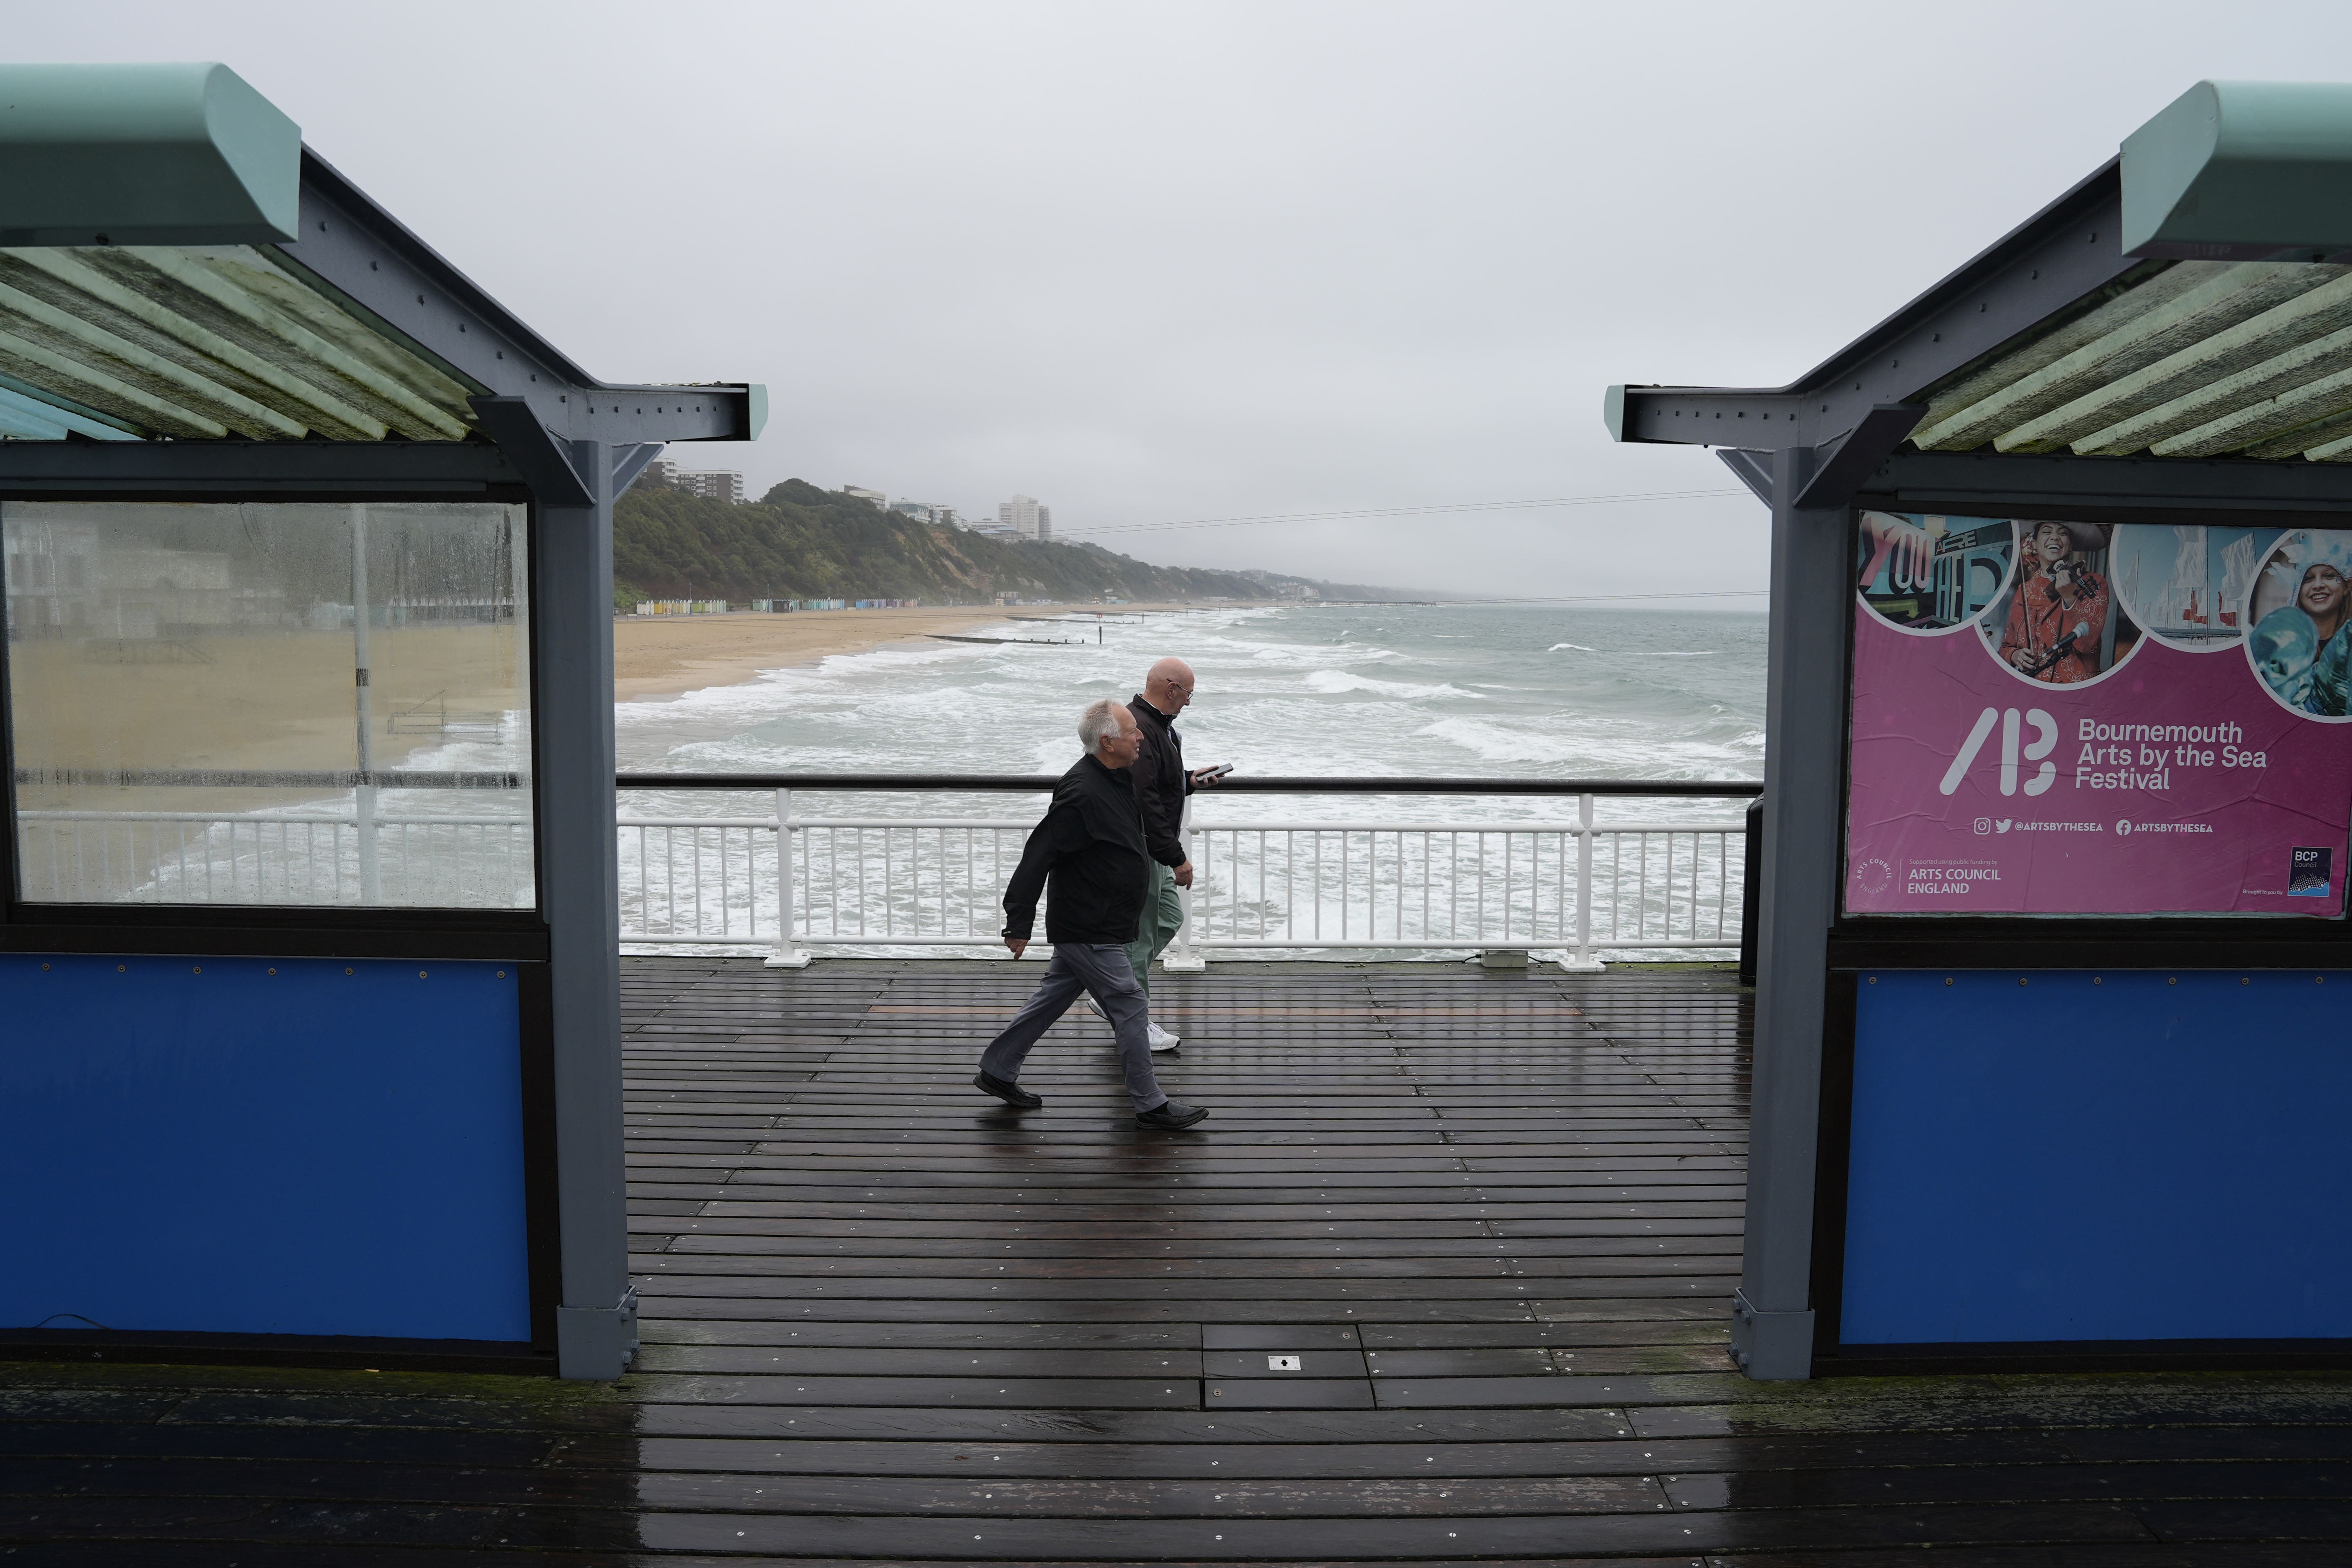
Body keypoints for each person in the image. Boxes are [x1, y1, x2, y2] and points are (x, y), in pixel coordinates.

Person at [972, 697, 1210, 1131]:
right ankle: (1150, 1103)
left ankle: (998, 1070)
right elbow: (1038, 854)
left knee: (1053, 997)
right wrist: (1018, 920)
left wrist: (1173, 856)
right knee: (1131, 1004)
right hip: (1089, 924)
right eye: (1131, 732)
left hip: (1105, 921)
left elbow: (1138, 833)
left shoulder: (1118, 778)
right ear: (1107, 741)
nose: (1140, 736)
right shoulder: (1081, 791)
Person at [1085, 657, 1224, 1050]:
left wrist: (1188, 782)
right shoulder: (1139, 728)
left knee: (1169, 917)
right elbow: (1144, 801)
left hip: (1150, 849)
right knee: (1143, 937)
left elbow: (1156, 784)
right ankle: (1134, 1019)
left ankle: (1113, 995)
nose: (1189, 703)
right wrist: (1177, 856)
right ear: (1171, 688)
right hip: (1139, 850)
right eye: (1188, 694)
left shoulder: (1156, 726)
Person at [1998, 520, 2110, 684]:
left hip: (2075, 692)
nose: (2055, 538)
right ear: (2035, 543)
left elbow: (2086, 644)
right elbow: (2006, 646)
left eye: (2063, 533)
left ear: (2071, 545)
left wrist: (2070, 597)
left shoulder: (2093, 582)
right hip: (2031, 687)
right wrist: (2015, 655)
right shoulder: (2025, 590)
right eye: (2047, 532)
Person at [2253, 556, 2352, 714]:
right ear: (2298, 590)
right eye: (2308, 579)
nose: (2318, 585)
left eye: (2329, 576)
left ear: (2348, 585)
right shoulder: (2277, 647)